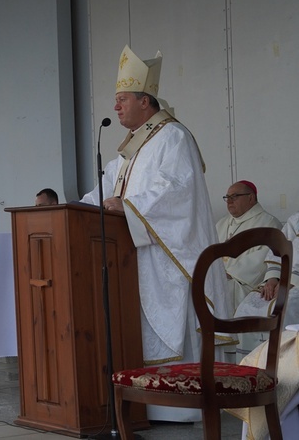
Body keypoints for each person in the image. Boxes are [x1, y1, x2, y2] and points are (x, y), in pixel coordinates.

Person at [79, 45, 232, 422]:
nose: (115, 108)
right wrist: (79, 207)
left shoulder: (173, 137)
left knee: (171, 320)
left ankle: (182, 409)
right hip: (140, 253)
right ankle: (152, 401)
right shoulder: (135, 147)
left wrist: (128, 206)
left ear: (145, 101)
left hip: (171, 254)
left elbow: (176, 190)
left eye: (122, 100)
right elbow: (105, 187)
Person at [233, 212, 299, 355]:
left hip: (295, 283)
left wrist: (292, 282)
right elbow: (278, 248)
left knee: (285, 307)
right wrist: (272, 278)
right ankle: (250, 365)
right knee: (247, 307)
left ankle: (279, 364)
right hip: (284, 279)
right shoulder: (295, 220)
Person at [215, 180, 281, 311]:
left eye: (234, 196)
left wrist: (230, 274)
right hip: (220, 277)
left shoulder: (268, 223)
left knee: (220, 291)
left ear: (250, 197)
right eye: (227, 197)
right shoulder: (221, 223)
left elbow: (264, 257)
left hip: (245, 282)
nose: (229, 201)